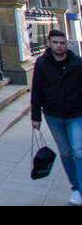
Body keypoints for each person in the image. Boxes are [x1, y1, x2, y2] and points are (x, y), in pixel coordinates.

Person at [31, 28, 82, 205]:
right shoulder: (42, 63)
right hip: (54, 115)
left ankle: (81, 189)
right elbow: (36, 90)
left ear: (66, 45)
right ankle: (75, 188)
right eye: (55, 43)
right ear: (49, 43)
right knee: (66, 153)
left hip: (76, 114)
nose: (59, 46)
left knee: (78, 151)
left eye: (62, 43)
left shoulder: (77, 63)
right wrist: (35, 116)